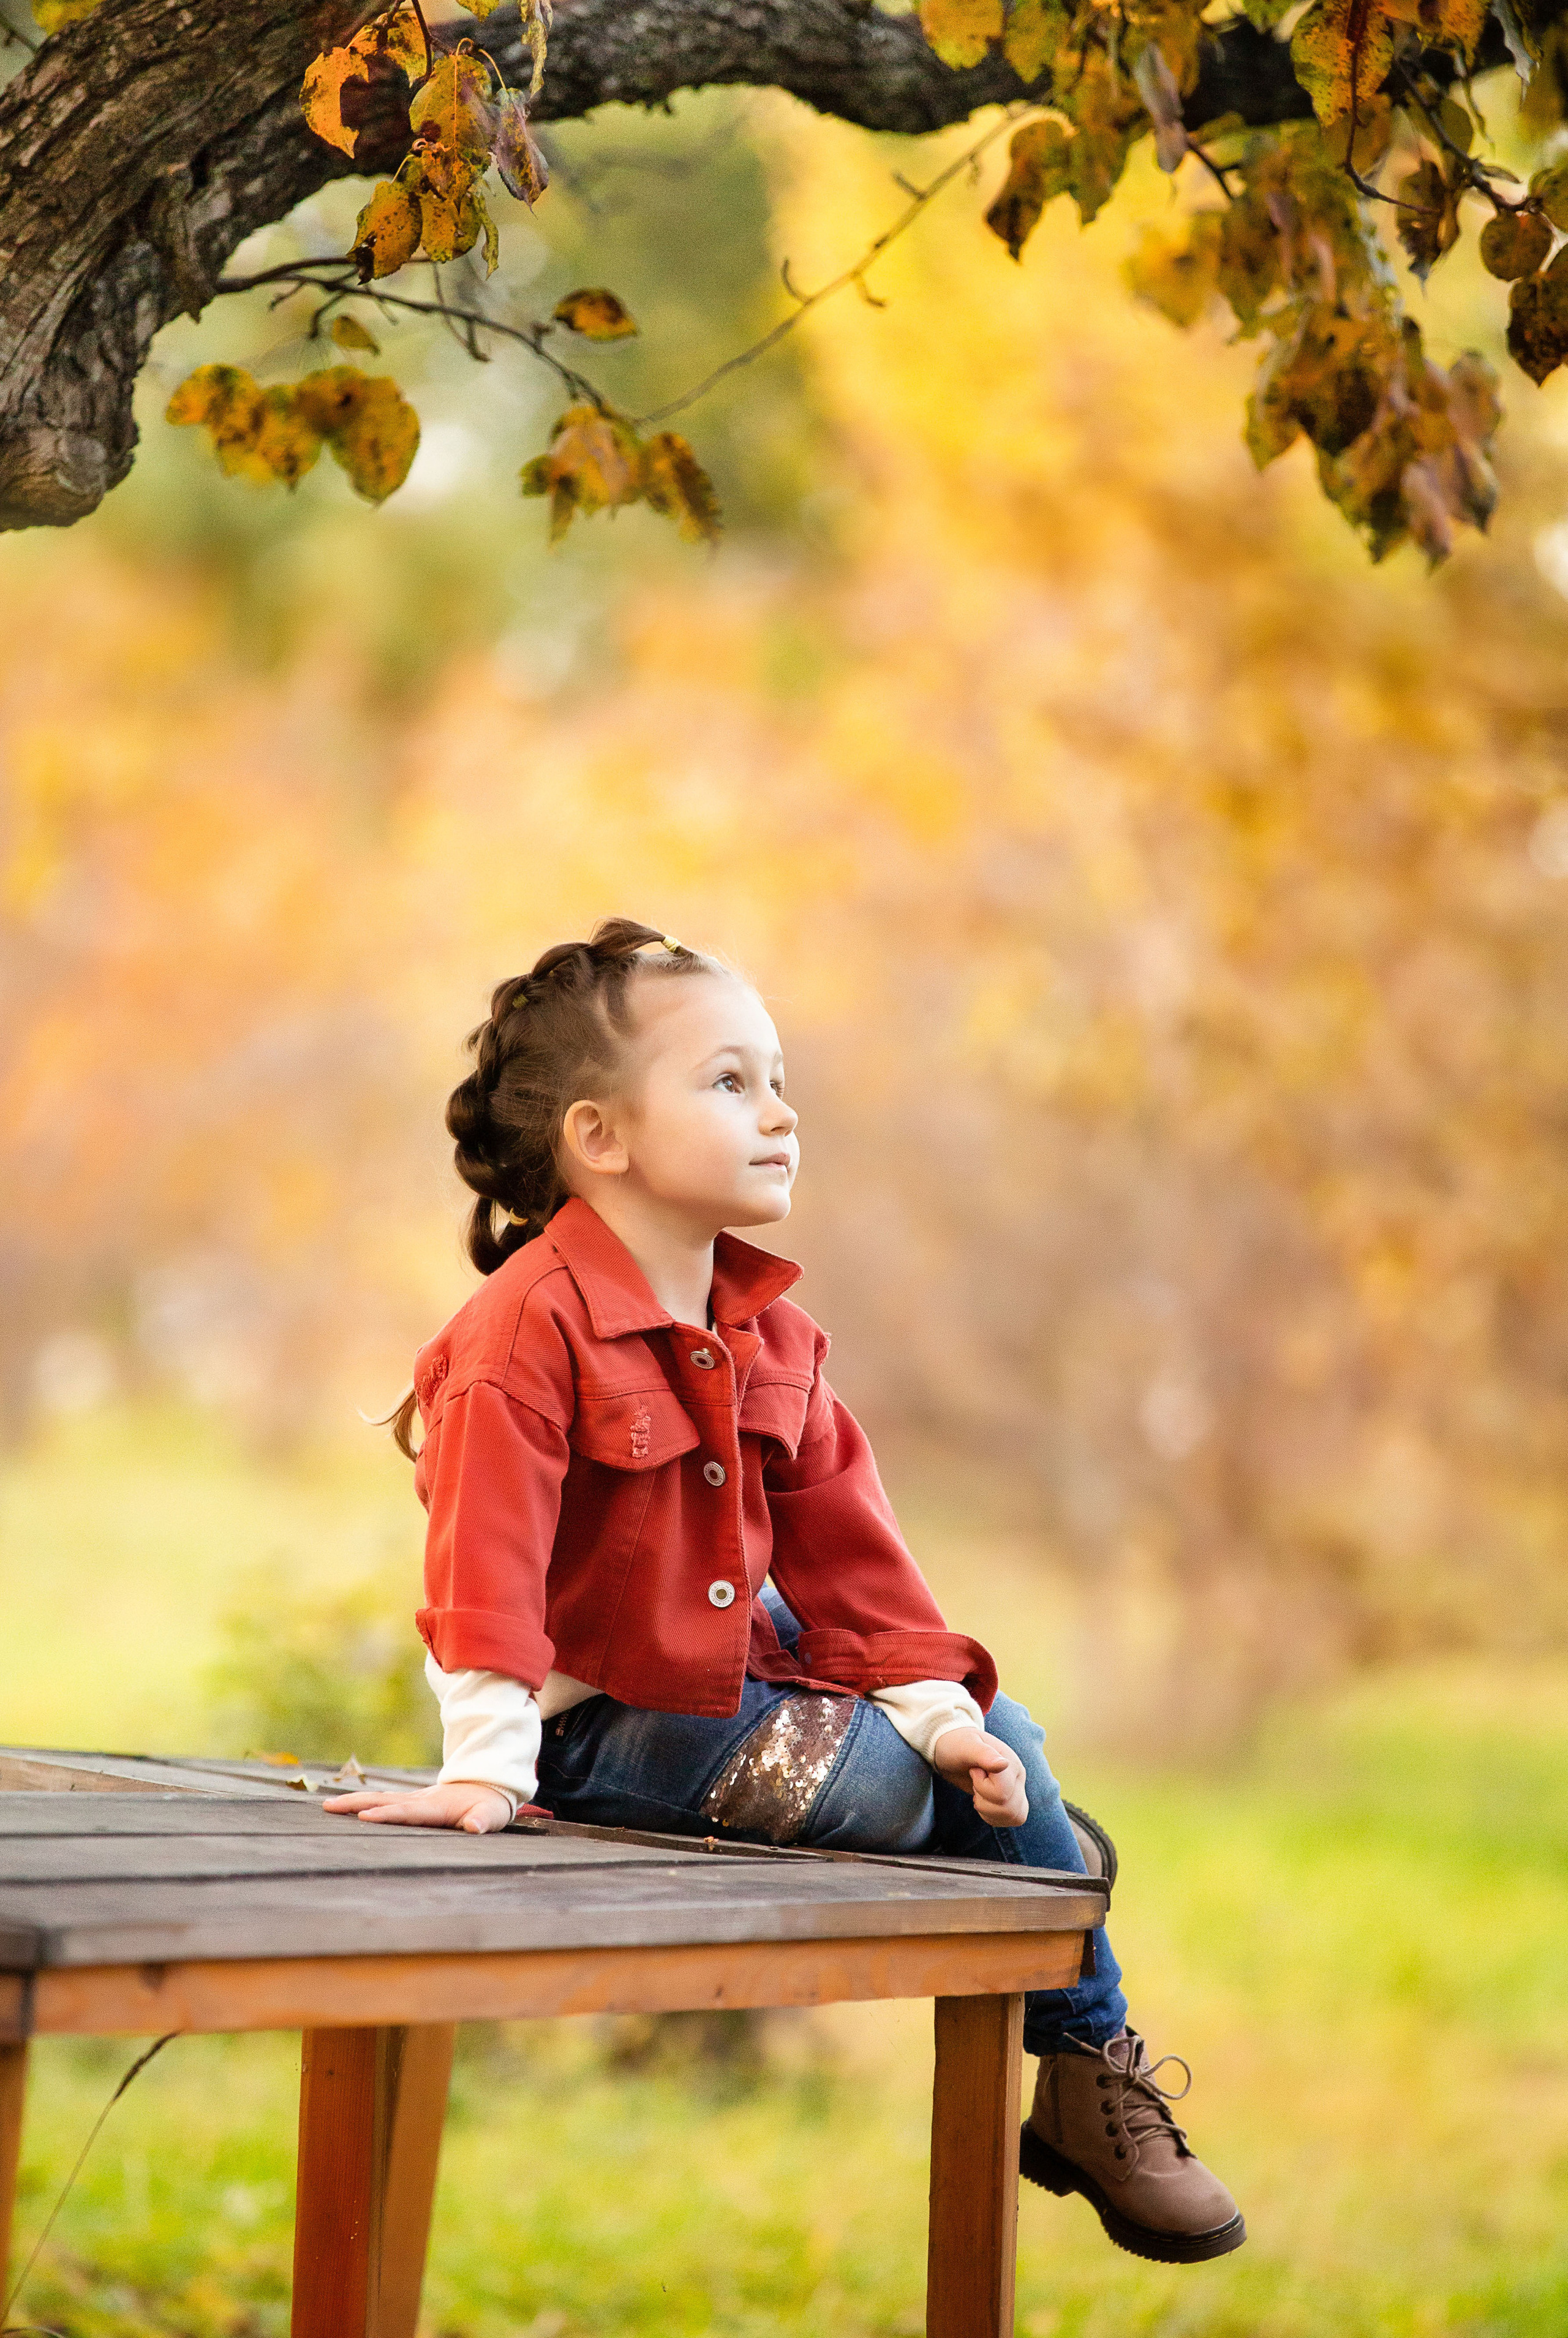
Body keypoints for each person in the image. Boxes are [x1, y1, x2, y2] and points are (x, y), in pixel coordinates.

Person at [324, 918, 1244, 2264]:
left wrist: (942, 1720)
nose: (779, 1111)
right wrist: (487, 1768)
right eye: (728, 1082)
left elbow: (856, 1573)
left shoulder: (775, 1336)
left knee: (994, 1738)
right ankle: (1045, 1878)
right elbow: (484, 1563)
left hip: (755, 1681)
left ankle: (1085, 2063)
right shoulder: (522, 1328)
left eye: (777, 1077)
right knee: (944, 1792)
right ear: (601, 1137)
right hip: (604, 1729)